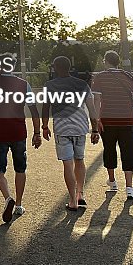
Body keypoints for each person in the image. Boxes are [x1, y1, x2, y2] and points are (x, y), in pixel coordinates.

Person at [0, 57, 42, 222]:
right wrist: (37, 132)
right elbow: (34, 110)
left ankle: (8, 198)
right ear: (13, 66)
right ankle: (19, 204)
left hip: (0, 131)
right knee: (20, 168)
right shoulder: (23, 84)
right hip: (19, 131)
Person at [41, 56, 100, 211]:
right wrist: (95, 129)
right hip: (80, 127)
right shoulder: (82, 84)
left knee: (68, 164)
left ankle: (72, 200)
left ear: (55, 68)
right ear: (70, 67)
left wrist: (44, 126)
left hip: (62, 128)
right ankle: (80, 194)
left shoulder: (49, 85)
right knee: (79, 160)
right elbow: (92, 109)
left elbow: (45, 107)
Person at [92, 51, 133, 199]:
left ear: (105, 61)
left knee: (109, 149)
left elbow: (97, 100)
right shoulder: (126, 75)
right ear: (118, 62)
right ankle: (129, 187)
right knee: (129, 151)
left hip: (108, 119)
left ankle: (112, 181)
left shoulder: (100, 77)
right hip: (127, 119)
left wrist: (97, 119)